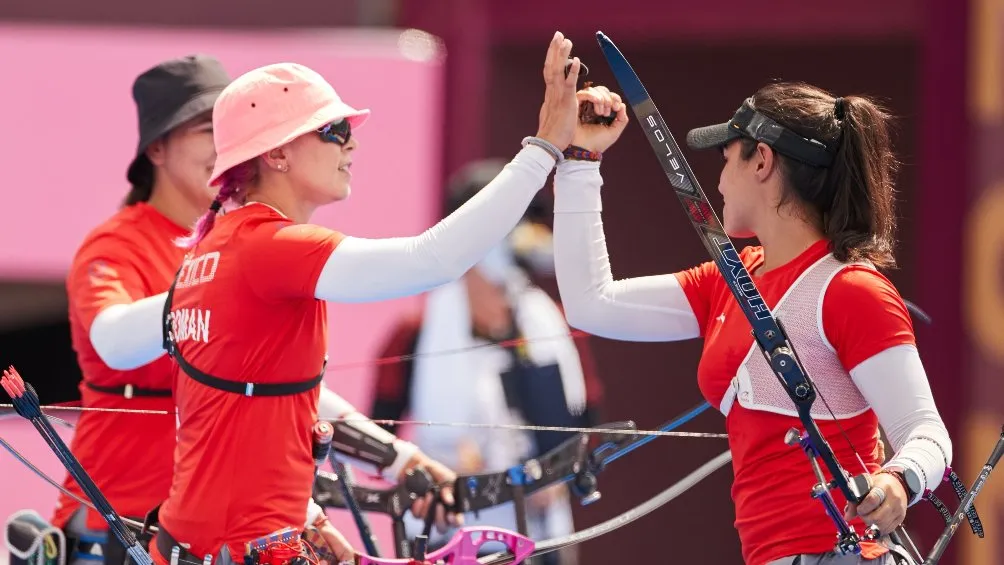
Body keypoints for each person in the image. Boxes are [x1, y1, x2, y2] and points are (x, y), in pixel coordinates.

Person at [151, 31, 593, 565]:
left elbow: (271, 409)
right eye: (333, 130)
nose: (351, 144)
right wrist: (544, 147)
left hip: (210, 541)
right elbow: (432, 259)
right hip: (243, 547)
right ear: (277, 155)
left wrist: (378, 472)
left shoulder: (218, 250)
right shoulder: (268, 247)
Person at [54, 54, 460, 565]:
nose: (226, 147)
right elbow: (109, 340)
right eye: (208, 130)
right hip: (115, 523)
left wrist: (398, 461)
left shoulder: (239, 244)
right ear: (157, 148)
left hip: (218, 535)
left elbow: (284, 393)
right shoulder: (119, 246)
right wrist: (217, 289)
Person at [550, 82, 952, 565]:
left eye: (725, 158)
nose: (717, 180)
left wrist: (897, 480)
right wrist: (578, 159)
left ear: (761, 160)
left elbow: (926, 433)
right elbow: (591, 304)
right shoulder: (731, 280)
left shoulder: (849, 290)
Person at [369, 159, 607, 564]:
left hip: (540, 531)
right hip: (446, 532)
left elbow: (587, 424)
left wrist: (560, 472)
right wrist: (429, 471)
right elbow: (377, 434)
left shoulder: (547, 323)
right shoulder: (417, 329)